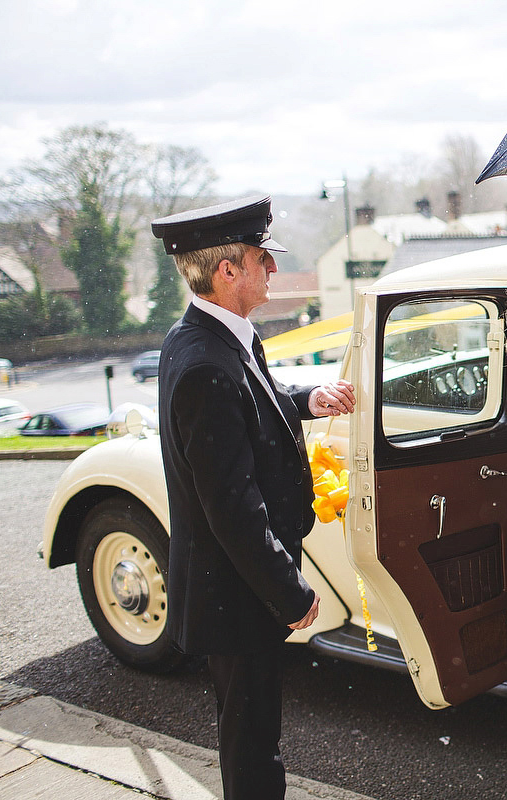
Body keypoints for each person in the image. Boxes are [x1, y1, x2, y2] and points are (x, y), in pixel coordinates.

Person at [151, 195, 357, 800]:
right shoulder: (205, 363)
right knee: (251, 748)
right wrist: (288, 592)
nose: (273, 270)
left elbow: (253, 399)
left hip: (233, 587)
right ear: (227, 272)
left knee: (250, 733)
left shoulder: (212, 338)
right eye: (263, 259)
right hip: (236, 595)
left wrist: (307, 398)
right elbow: (232, 507)